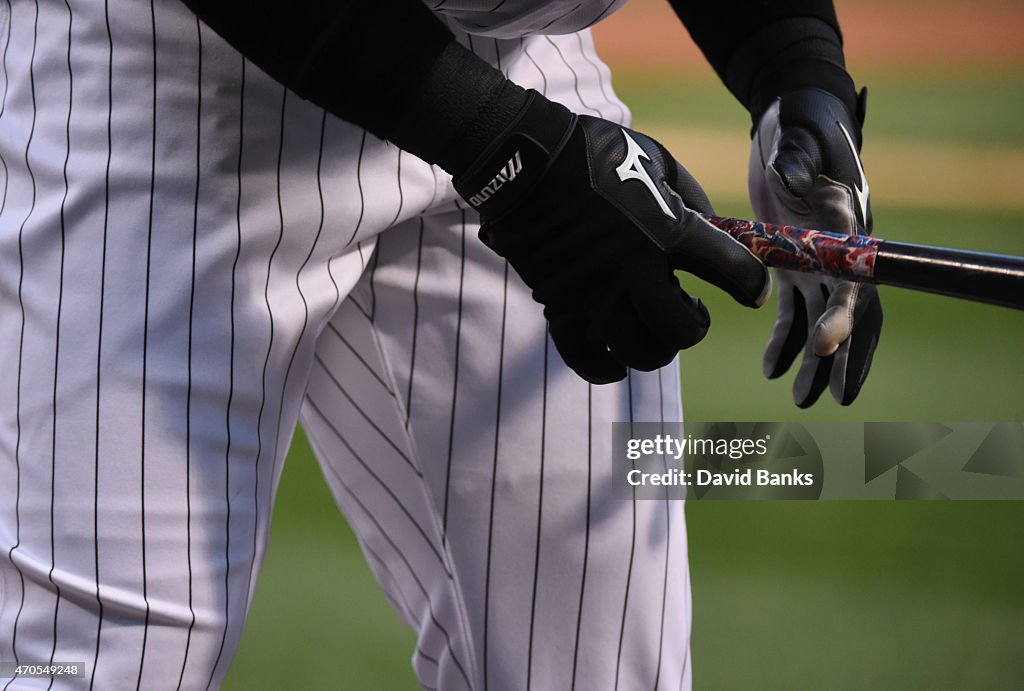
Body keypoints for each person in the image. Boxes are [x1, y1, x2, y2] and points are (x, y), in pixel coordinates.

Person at [0, 0, 880, 688]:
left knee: (594, 665)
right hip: (170, 72)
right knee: (96, 659)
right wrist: (501, 148)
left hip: (522, 65)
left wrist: (791, 61)